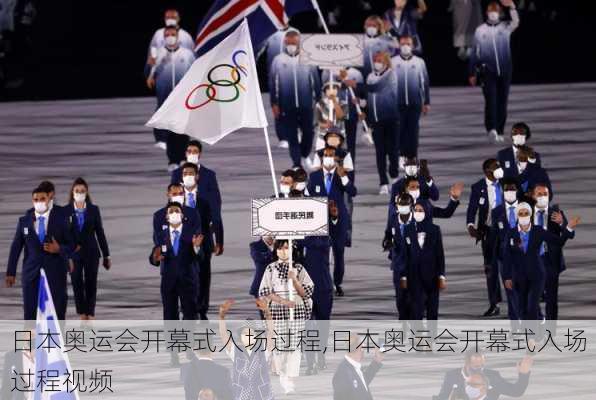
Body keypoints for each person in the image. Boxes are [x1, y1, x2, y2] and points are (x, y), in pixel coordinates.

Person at [502, 202, 579, 320]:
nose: (523, 215)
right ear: (517, 215)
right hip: (519, 276)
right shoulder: (511, 233)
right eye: (521, 213)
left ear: (530, 214)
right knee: (521, 309)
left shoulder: (538, 231)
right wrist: (507, 276)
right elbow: (507, 256)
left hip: (536, 275)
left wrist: (568, 228)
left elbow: (558, 241)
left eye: (526, 213)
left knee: (532, 306)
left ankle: (533, 336)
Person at [6, 186, 74, 320]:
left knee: (58, 312)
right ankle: (28, 341)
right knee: (30, 315)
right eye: (35, 199)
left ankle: (57, 340)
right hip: (31, 273)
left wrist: (59, 249)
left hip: (55, 272)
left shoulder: (61, 219)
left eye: (42, 199)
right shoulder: (24, 222)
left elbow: (72, 245)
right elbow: (16, 248)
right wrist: (11, 272)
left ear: (49, 199)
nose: (39, 202)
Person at [258, 240, 314, 394]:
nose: (283, 251)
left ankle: (290, 377)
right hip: (278, 310)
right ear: (276, 251)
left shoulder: (299, 268)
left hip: (296, 310)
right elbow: (265, 291)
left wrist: (294, 280)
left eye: (286, 248)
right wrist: (283, 301)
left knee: (295, 345)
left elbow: (307, 292)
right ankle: (283, 374)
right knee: (281, 344)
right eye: (281, 248)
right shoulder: (270, 269)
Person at [307, 147, 357, 296]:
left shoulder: (341, 174)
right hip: (320, 221)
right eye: (326, 155)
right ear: (322, 158)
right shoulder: (315, 176)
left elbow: (353, 192)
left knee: (338, 254)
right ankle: (325, 282)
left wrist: (344, 177)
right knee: (322, 253)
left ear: (336, 158)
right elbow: (309, 197)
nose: (328, 157)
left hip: (339, 220)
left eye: (331, 155)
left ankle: (337, 283)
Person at [468, 0, 520, 143]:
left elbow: (516, 22)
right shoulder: (480, 30)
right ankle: (491, 128)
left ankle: (500, 130)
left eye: (495, 10)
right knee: (491, 101)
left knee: (502, 102)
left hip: (505, 70)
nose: (493, 13)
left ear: (499, 12)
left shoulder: (505, 27)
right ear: (486, 12)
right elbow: (474, 53)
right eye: (490, 10)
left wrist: (512, 6)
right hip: (487, 72)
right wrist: (472, 72)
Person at [146, 25, 196, 170]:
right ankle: (173, 160)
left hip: (183, 97)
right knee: (170, 130)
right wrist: (151, 72)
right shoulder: (159, 53)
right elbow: (152, 71)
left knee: (183, 130)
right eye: (167, 34)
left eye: (172, 33)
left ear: (178, 35)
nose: (170, 36)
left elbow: (195, 69)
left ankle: (183, 158)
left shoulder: (187, 54)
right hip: (167, 98)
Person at [269, 30, 321, 168]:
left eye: (294, 42)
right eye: (289, 42)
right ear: (285, 42)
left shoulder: (308, 58)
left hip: (306, 104)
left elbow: (316, 81)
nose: (291, 45)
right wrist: (274, 103)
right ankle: (296, 163)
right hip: (287, 105)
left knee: (309, 132)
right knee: (291, 135)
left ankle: (304, 155)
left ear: (299, 43)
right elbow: (272, 84)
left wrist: (319, 101)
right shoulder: (278, 60)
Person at [181, 163, 224, 320]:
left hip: (204, 244)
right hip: (184, 245)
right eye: (185, 173)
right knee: (185, 276)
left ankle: (201, 307)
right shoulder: (177, 201)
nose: (188, 176)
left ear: (197, 176)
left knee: (203, 276)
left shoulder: (204, 201)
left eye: (191, 173)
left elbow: (216, 219)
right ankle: (187, 306)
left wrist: (219, 239)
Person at [65, 177, 111, 320]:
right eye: (77, 190)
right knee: (76, 282)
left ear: (87, 192)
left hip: (91, 252)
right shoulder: (65, 211)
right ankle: (82, 313)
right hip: (74, 254)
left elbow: (100, 232)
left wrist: (106, 255)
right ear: (72, 192)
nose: (80, 193)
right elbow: (63, 234)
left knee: (91, 282)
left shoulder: (93, 210)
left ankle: (90, 313)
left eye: (82, 191)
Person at [150, 201, 203, 320]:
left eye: (177, 211)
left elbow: (201, 257)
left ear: (182, 216)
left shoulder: (192, 234)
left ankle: (188, 338)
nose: (174, 213)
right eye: (171, 212)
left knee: (190, 315)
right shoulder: (161, 235)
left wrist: (196, 247)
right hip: (168, 281)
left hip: (188, 280)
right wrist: (155, 257)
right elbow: (155, 253)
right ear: (167, 217)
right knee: (169, 316)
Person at [466, 159, 505, 317]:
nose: (499, 168)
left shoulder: (506, 183)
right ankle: (494, 303)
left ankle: (519, 301)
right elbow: (472, 208)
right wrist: (470, 225)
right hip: (488, 232)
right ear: (487, 171)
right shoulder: (478, 187)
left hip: (507, 232)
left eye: (499, 165)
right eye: (495, 166)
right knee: (491, 269)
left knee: (511, 267)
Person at [303, 201, 337, 375]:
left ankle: (321, 356)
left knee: (323, 326)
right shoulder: (298, 240)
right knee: (307, 328)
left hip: (323, 288)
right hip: (304, 291)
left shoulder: (322, 238)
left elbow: (322, 243)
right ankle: (310, 363)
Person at [402, 201, 446, 333]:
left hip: (432, 277)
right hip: (414, 277)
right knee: (416, 310)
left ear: (427, 212)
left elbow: (440, 255)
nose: (418, 213)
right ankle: (419, 339)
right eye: (416, 210)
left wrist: (442, 276)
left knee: (432, 311)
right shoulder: (408, 229)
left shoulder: (435, 230)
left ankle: (431, 341)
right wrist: (403, 276)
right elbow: (405, 255)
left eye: (421, 210)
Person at [218, 299, 275, 400]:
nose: (248, 336)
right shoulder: (235, 351)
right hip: (241, 395)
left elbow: (271, 333)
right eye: (245, 333)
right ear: (240, 336)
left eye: (251, 333)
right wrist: (221, 317)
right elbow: (223, 335)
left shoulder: (263, 350)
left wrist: (267, 313)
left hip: (262, 395)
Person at [531, 184, 569, 320]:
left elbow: (568, 233)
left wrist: (561, 223)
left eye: (545, 194)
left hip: (551, 261)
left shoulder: (556, 213)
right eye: (539, 194)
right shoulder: (526, 213)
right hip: (532, 261)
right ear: (533, 196)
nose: (542, 197)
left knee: (551, 299)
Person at [391, 34, 430, 164]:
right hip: (398, 103)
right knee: (400, 130)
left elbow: (424, 83)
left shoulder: (419, 62)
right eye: (402, 44)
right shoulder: (393, 62)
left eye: (408, 44)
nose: (405, 46)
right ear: (399, 46)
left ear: (412, 46)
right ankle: (401, 154)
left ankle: (412, 156)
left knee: (413, 131)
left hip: (415, 102)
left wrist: (426, 102)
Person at [365, 51, 399, 194]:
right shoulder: (370, 76)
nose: (376, 62)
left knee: (392, 151)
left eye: (379, 60)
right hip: (376, 121)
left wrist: (357, 85)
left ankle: (395, 177)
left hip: (391, 119)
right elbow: (368, 99)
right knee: (380, 153)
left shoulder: (391, 74)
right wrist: (364, 110)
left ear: (385, 61)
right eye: (375, 60)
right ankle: (383, 183)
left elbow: (377, 88)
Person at [260, 25, 300, 149]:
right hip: (275, 74)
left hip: (294, 74)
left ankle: (296, 131)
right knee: (278, 107)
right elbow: (259, 49)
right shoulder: (270, 32)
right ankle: (283, 137)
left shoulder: (295, 31)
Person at [436, 351, 533, 400]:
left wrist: (523, 374)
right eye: (474, 366)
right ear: (467, 362)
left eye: (480, 366)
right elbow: (441, 397)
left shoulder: (492, 377)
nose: (477, 369)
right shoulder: (452, 376)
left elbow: (515, 391)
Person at [490, 177, 521, 320]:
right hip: (504, 257)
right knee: (510, 291)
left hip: (524, 256)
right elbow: (494, 236)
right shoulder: (497, 212)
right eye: (507, 189)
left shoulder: (526, 208)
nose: (509, 192)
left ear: (517, 191)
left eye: (512, 189)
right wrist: (491, 259)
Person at [321, 67, 366, 166]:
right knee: (333, 145)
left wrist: (362, 109)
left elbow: (362, 95)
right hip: (334, 117)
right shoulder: (328, 71)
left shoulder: (356, 73)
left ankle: (349, 175)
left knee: (350, 147)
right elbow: (324, 90)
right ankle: (332, 172)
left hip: (351, 116)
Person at [171, 140, 222, 220]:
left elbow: (215, 201)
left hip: (204, 218)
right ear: (185, 153)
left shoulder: (209, 174)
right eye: (189, 151)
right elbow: (172, 197)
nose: (192, 153)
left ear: (199, 154)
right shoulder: (177, 173)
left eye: (195, 151)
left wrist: (214, 220)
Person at [387, 193, 415, 319]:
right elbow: (388, 233)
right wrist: (387, 242)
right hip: (398, 264)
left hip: (413, 264)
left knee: (412, 295)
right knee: (400, 296)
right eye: (401, 204)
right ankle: (403, 317)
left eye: (406, 204)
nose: (403, 207)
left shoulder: (417, 220)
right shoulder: (393, 218)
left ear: (411, 206)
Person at [332, 333, 383, 400]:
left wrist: (376, 362)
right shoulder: (342, 373)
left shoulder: (353, 366)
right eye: (363, 347)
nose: (364, 350)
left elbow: (361, 383)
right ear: (359, 349)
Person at [314, 81, 347, 151]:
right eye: (328, 89)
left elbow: (341, 116)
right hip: (322, 137)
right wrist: (325, 125)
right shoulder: (319, 104)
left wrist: (334, 101)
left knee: (338, 159)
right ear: (325, 91)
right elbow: (317, 121)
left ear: (338, 90)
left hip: (339, 137)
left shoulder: (343, 103)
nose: (331, 91)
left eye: (334, 88)